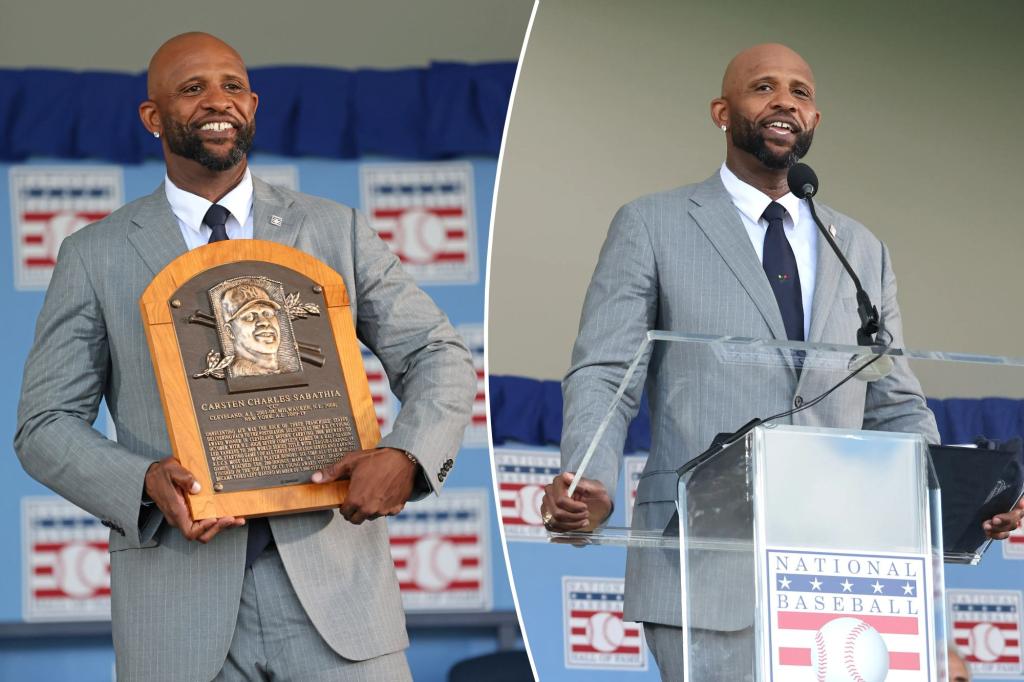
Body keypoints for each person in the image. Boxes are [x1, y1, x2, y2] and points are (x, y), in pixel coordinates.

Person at [542, 43, 1024, 680]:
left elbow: (895, 401)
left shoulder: (861, 248)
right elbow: (607, 370)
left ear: (814, 120)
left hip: (844, 572)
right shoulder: (652, 225)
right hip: (705, 559)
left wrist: (952, 504)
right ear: (722, 111)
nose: (784, 103)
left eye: (800, 92)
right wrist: (586, 478)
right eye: (763, 87)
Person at [15, 32, 476, 682]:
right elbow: (44, 425)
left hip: (339, 603)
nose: (217, 101)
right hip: (178, 613)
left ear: (253, 106)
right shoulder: (97, 255)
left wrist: (407, 455)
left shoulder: (332, 229)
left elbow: (438, 354)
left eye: (232, 86)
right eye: (192, 87)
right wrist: (143, 482)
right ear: (153, 117)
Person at [219, 282, 288, 377]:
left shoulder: (286, 372)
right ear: (230, 332)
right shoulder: (237, 377)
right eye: (249, 316)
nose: (264, 322)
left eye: (267, 314)